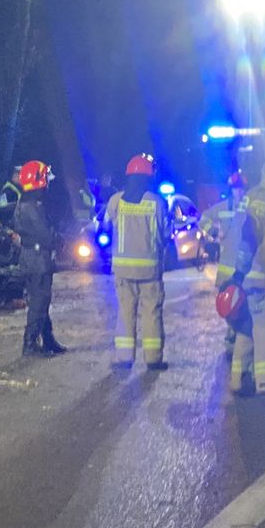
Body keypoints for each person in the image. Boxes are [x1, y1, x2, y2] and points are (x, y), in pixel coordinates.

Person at [219, 161, 265, 396]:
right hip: (252, 275)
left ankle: (239, 379)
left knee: (246, 328)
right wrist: (242, 269)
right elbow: (250, 232)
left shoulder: (249, 196)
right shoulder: (264, 198)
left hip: (241, 274)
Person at [103, 154, 168, 371]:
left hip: (122, 270)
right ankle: (153, 358)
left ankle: (124, 357)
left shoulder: (115, 201)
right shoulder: (156, 202)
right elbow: (164, 234)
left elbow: (105, 228)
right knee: (151, 314)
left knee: (125, 313)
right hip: (150, 270)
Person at [13, 160, 67, 356]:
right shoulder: (32, 205)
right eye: (45, 178)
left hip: (31, 258)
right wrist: (58, 239)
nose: (47, 182)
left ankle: (48, 339)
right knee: (39, 301)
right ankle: (30, 344)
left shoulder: (25, 201)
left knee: (41, 300)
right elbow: (44, 234)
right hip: (37, 260)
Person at [204, 171, 248, 359]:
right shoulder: (222, 207)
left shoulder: (251, 207)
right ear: (231, 190)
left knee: (244, 304)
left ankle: (240, 337)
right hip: (227, 267)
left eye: (241, 189)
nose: (238, 193)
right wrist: (213, 233)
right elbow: (203, 218)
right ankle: (232, 337)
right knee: (230, 304)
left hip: (244, 267)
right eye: (235, 189)